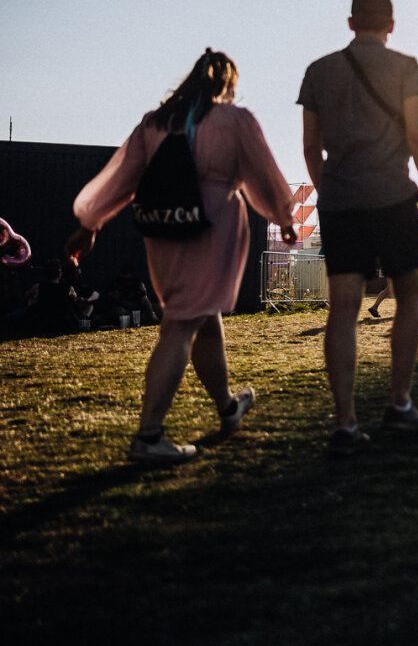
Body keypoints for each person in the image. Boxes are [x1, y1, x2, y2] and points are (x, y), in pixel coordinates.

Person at [68, 48, 296, 462]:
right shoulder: (235, 119)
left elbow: (122, 176)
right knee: (180, 325)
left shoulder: (154, 123)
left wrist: (90, 224)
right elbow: (264, 171)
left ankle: (228, 407)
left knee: (201, 318)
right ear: (227, 83)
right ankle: (149, 436)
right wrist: (283, 216)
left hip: (163, 226)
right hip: (211, 225)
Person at [299, 0, 418, 454]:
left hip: (340, 201)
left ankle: (344, 422)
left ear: (349, 22)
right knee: (411, 298)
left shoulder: (319, 71)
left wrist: (331, 189)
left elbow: (309, 147)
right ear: (392, 25)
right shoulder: (405, 67)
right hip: (393, 198)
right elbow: (417, 137)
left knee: (343, 309)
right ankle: (399, 402)